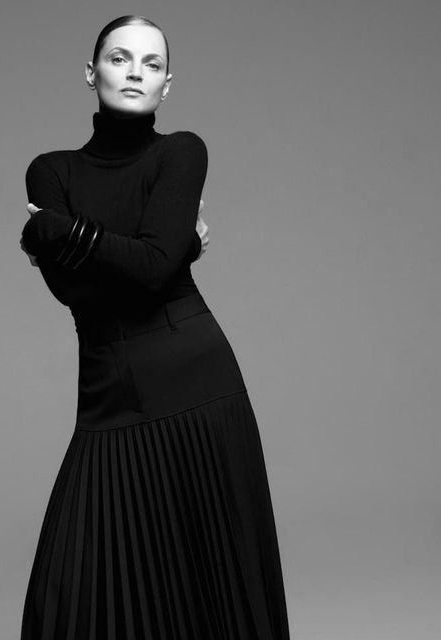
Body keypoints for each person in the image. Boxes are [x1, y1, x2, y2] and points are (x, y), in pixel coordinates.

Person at [19, 15, 291, 639]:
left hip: (198, 385)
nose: (135, 72)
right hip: (108, 394)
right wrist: (170, 249)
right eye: (119, 58)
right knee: (74, 601)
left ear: (167, 84)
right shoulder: (50, 171)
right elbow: (74, 291)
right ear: (90, 72)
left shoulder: (181, 151)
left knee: (215, 594)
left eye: (151, 63)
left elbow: (152, 270)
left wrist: (58, 231)